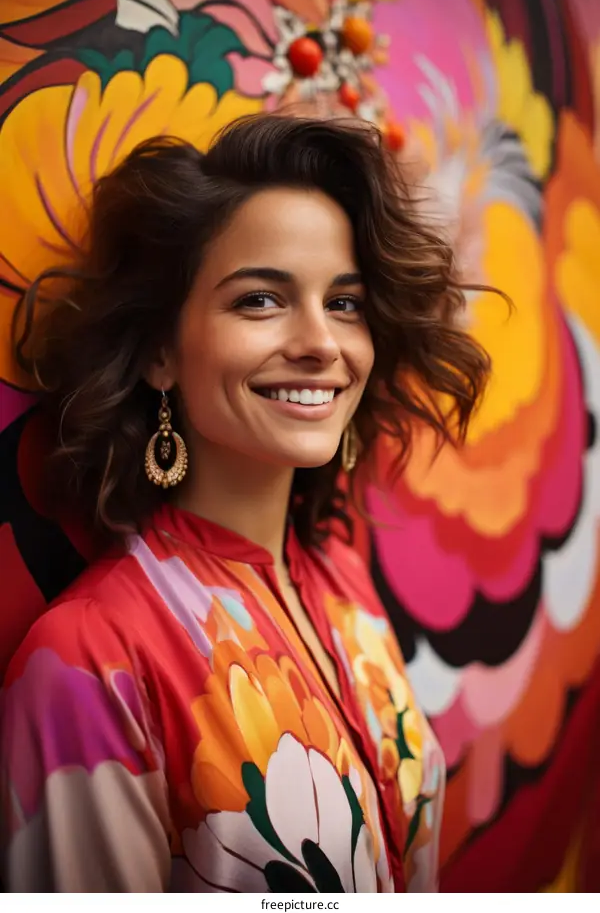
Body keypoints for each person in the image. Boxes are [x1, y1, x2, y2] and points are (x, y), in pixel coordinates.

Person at [0, 115, 490, 892]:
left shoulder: (344, 587)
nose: (322, 343)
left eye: (345, 303)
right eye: (261, 300)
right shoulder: (90, 663)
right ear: (161, 351)